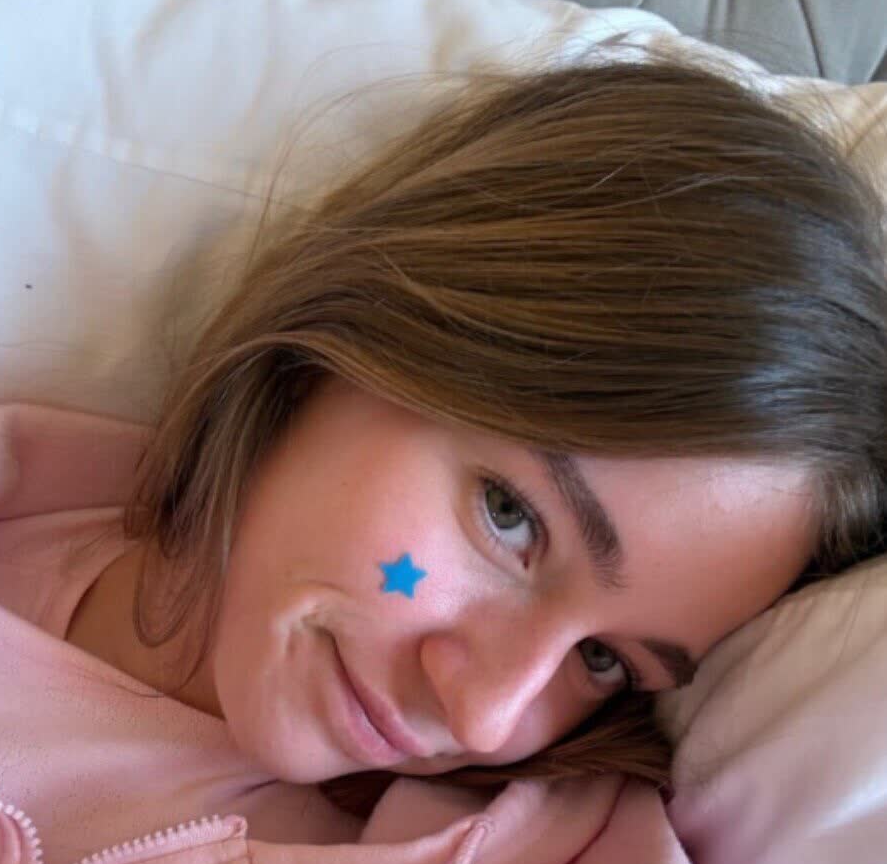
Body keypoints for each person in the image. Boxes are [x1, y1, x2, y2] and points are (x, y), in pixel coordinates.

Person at [64, 46, 887, 819]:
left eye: (601, 659)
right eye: (509, 517)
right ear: (362, 331)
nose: (483, 716)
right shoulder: (1, 504)